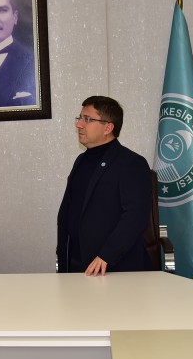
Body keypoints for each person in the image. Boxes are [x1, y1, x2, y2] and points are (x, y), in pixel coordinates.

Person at [57, 96, 153, 276]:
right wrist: (63, 255)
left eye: (87, 119)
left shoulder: (132, 163)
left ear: (108, 128)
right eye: (80, 118)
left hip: (115, 267)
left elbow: (135, 216)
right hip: (77, 264)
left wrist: (107, 255)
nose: (79, 124)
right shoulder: (81, 160)